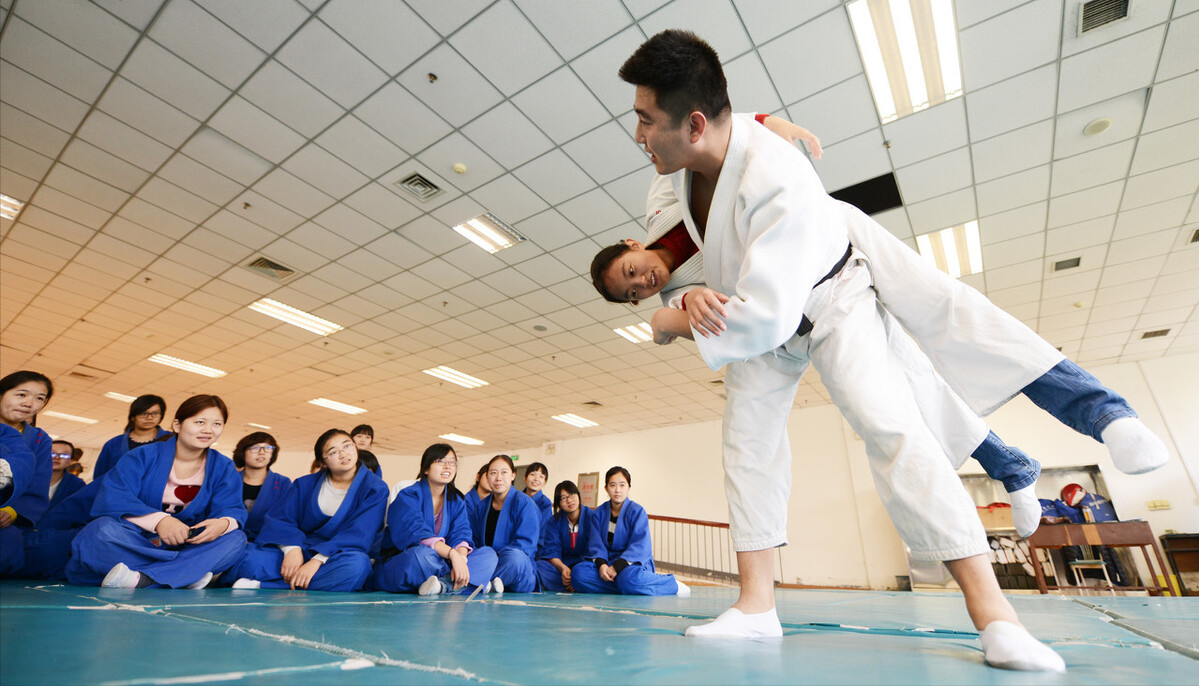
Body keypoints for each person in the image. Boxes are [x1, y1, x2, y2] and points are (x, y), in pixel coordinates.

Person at [615, 30, 1064, 672]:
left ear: (690, 124)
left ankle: (997, 616)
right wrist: (677, 307)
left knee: (889, 423)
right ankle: (756, 606)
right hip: (754, 316)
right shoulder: (670, 183)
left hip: (831, 299)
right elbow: (737, 127)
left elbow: (765, 317)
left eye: (644, 119)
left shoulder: (778, 180)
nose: (638, 135)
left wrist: (679, 318)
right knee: (747, 443)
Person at [593, 112, 1169, 537]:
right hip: (812, 309)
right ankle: (1011, 467)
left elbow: (719, 129)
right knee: (910, 389)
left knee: (952, 311)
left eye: (629, 269)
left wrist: (774, 126)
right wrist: (673, 312)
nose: (640, 281)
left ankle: (1108, 416)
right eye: (631, 292)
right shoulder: (676, 292)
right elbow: (671, 322)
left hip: (838, 239)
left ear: (630, 243)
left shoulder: (664, 190)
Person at [65, 395, 246, 589]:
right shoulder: (140, 456)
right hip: (137, 538)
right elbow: (114, 497)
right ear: (177, 425)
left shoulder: (223, 466)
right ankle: (184, 573)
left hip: (187, 541)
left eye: (217, 424)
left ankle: (143, 578)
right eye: (200, 422)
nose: (208, 430)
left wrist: (223, 523)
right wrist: (160, 521)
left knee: (236, 540)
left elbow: (231, 507)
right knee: (99, 532)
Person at [228, 429, 386, 592]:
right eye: (333, 452)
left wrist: (317, 561)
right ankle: (308, 582)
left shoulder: (375, 488)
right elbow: (281, 519)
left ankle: (265, 586)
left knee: (356, 567)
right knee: (249, 559)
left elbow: (360, 532)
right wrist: (292, 550)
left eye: (347, 446)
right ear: (322, 462)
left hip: (337, 555)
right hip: (301, 548)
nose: (343, 454)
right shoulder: (304, 484)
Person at [370, 443, 498, 595]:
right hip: (408, 559)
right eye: (440, 461)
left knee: (488, 555)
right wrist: (452, 555)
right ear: (425, 468)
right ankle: (467, 583)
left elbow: (461, 532)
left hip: (444, 560)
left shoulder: (456, 500)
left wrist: (461, 559)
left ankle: (442, 586)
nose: (447, 466)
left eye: (452, 462)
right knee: (421, 556)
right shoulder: (408, 496)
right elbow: (416, 533)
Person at [571, 467, 688, 597]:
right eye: (613, 485)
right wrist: (602, 565)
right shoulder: (599, 513)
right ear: (606, 488)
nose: (617, 490)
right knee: (578, 574)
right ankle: (625, 587)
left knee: (628, 578)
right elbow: (596, 544)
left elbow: (640, 546)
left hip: (631, 565)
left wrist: (617, 567)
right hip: (608, 562)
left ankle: (671, 584)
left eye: (622, 485)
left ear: (629, 488)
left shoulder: (637, 512)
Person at [0, 371, 54, 577]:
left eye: (39, 398)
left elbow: (37, 486)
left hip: (4, 517)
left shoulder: (39, 440)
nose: (29, 403)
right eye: (21, 395)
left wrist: (11, 512)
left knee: (9, 546)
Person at [468, 455, 539, 593]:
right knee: (480, 555)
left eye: (504, 472)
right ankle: (489, 582)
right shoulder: (481, 507)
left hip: (514, 566)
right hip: (488, 562)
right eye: (493, 473)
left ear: (513, 475)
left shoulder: (524, 503)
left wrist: (495, 559)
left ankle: (479, 582)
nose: (498, 478)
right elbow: (473, 540)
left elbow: (526, 545)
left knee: (515, 558)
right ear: (487, 476)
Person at [535, 480, 593, 593]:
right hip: (563, 566)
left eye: (572, 495)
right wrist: (563, 569)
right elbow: (552, 550)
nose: (569, 500)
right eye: (563, 498)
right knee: (540, 566)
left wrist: (575, 572)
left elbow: (593, 550)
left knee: (581, 573)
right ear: (558, 503)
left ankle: (573, 582)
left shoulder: (592, 517)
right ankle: (575, 585)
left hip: (584, 565)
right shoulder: (554, 521)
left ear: (578, 495)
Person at [232, 432, 291, 542]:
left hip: (265, 542)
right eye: (255, 448)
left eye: (267, 448)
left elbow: (285, 519)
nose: (261, 452)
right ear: (243, 452)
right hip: (228, 539)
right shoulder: (230, 480)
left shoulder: (283, 483)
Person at [94, 395, 169, 478]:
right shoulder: (113, 444)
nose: (149, 417)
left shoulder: (171, 441)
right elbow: (99, 477)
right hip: (119, 490)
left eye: (155, 413)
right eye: (144, 413)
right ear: (133, 417)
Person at [47, 440, 86, 508]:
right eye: (52, 453)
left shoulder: (77, 485)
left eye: (64, 455)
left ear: (71, 461)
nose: (57, 457)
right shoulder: (27, 477)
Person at [522, 462, 553, 530]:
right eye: (532, 474)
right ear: (525, 478)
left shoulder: (545, 504)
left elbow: (542, 530)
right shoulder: (516, 499)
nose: (536, 479)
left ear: (545, 482)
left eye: (541, 476)